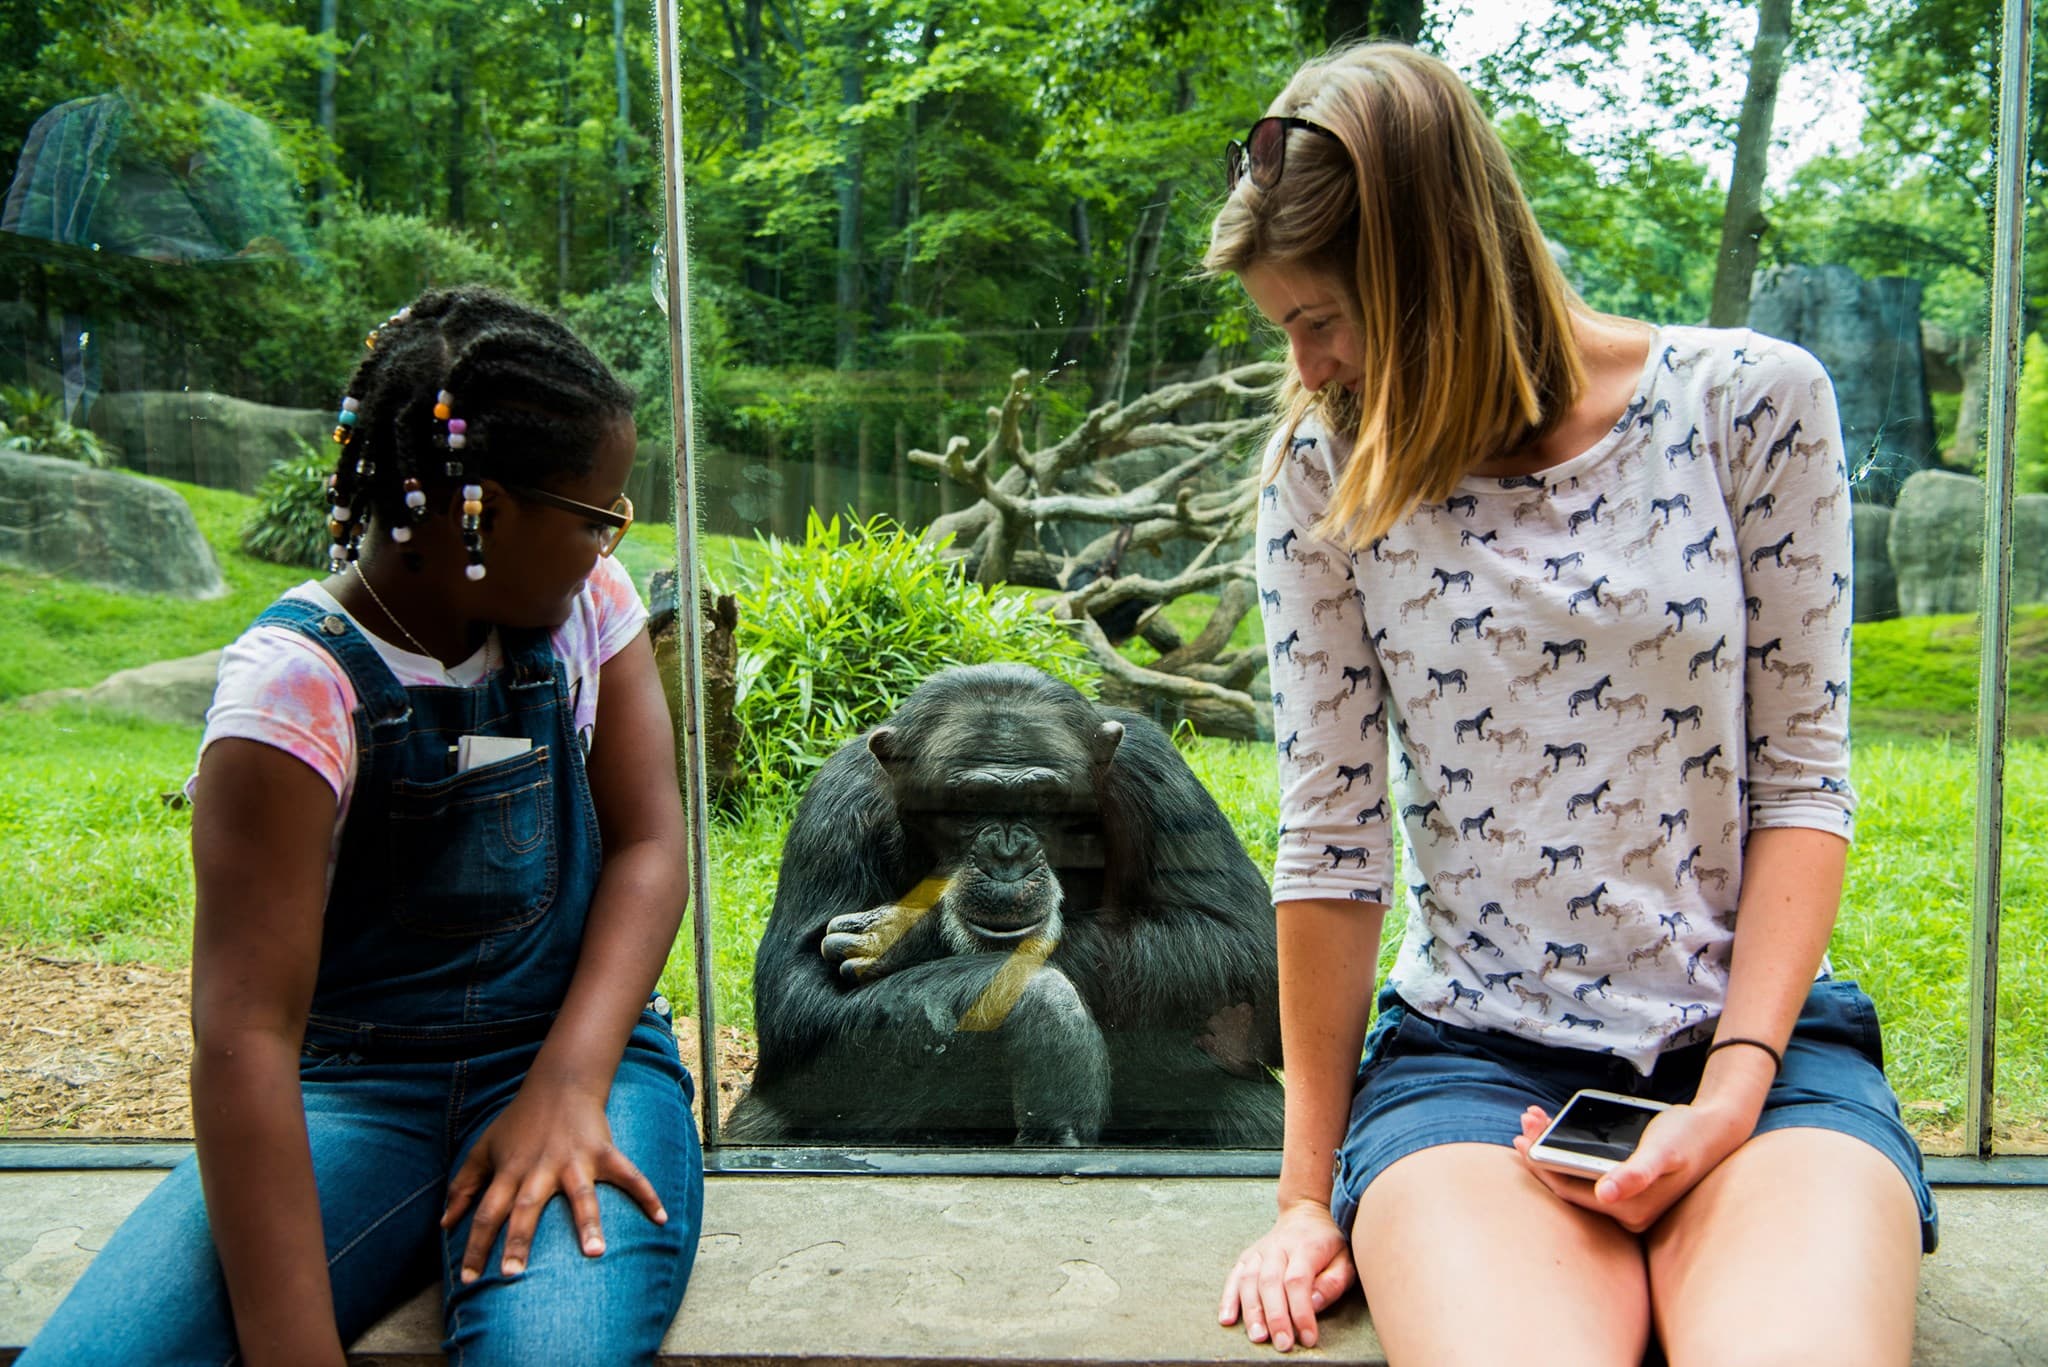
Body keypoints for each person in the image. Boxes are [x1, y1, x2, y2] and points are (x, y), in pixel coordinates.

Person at [1206, 45, 1935, 1366]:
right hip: (1476, 1067)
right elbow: (1331, 839)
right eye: (1285, 331)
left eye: (1323, 318)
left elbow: (1804, 779)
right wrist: (1305, 1193)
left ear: (1434, 275)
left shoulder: (1755, 406)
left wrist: (1731, 1091)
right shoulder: (1322, 479)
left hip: (1762, 1055)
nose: (1307, 367)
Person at [23, 287, 701, 1367]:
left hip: (580, 1054)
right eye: (593, 513)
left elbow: (651, 845)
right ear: (474, 507)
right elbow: (243, 1038)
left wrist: (567, 1085)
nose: (611, 540)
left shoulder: (587, 607)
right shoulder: (293, 694)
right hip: (351, 1090)